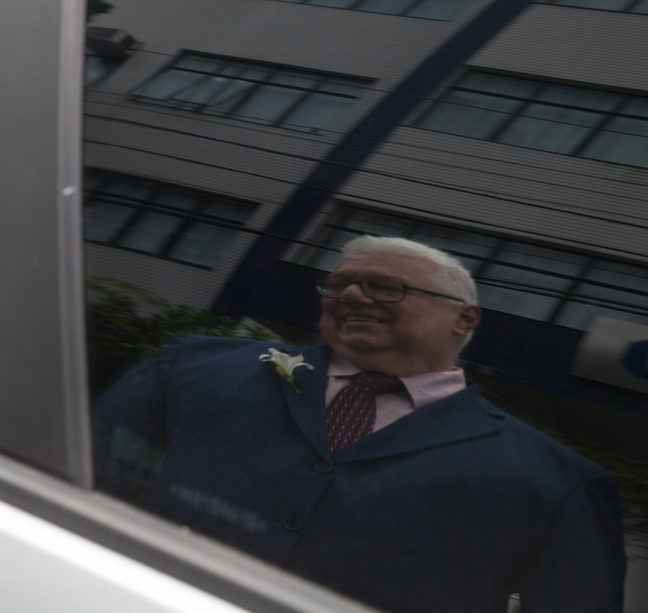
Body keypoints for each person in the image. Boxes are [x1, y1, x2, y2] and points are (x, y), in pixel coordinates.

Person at [92, 236, 625, 613]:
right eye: (339, 284)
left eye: (385, 287)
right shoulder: (194, 366)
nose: (350, 295)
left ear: (463, 318)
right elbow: (81, 473)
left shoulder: (560, 481)